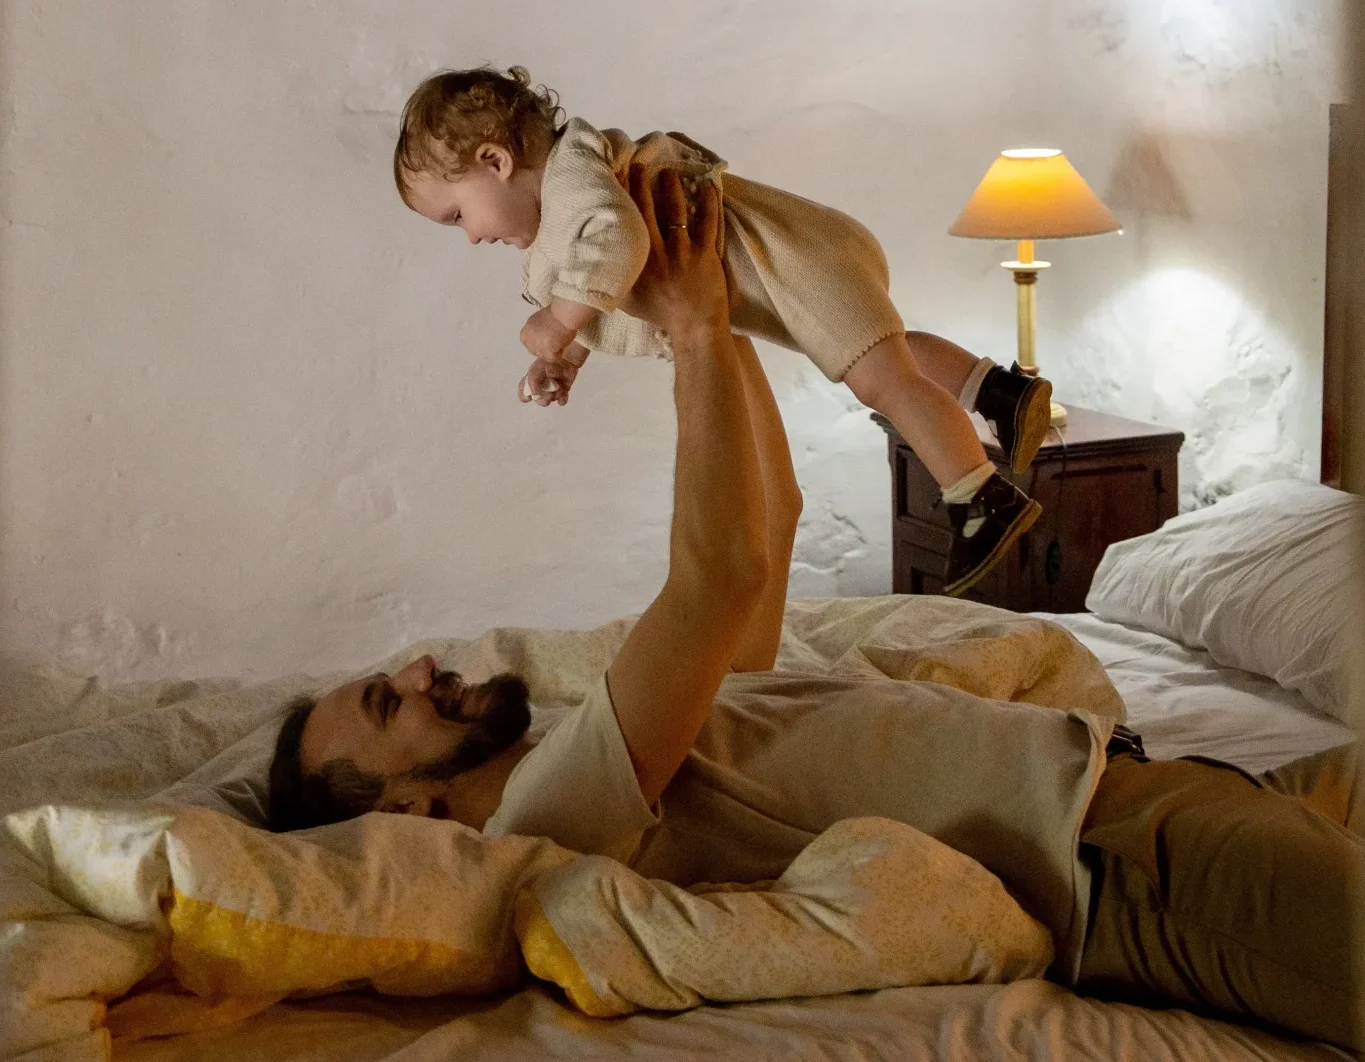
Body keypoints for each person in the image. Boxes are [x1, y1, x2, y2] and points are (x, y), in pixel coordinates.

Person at [271, 166, 1364, 1053]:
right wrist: (695, 331)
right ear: (410, 817)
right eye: (386, 701)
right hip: (1125, 862)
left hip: (1151, 782)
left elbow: (772, 523)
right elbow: (718, 577)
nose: (417, 669)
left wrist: (731, 314)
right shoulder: (552, 809)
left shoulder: (644, 741)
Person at [391, 65, 1051, 596]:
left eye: (456, 216)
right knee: (882, 353)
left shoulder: (575, 177)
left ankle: (979, 495)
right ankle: (995, 390)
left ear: (496, 161)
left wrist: (558, 319)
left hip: (792, 256)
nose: (472, 237)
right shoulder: (558, 226)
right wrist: (565, 355)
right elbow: (604, 284)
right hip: (781, 279)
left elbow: (617, 243)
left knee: (882, 381)